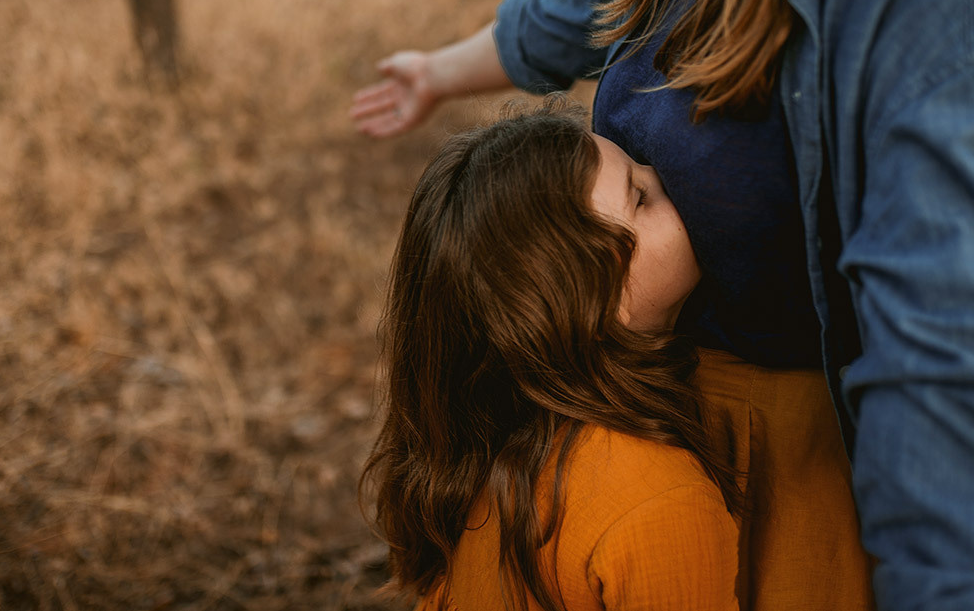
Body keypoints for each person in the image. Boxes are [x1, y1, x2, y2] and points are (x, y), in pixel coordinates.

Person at [351, 0, 974, 610]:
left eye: (643, 191)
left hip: (791, 475)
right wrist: (438, 72)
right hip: (636, 398)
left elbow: (957, 421)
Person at [362, 101, 874, 611]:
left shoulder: (490, 455)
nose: (663, 171)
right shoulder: (661, 502)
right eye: (640, 195)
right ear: (597, 300)